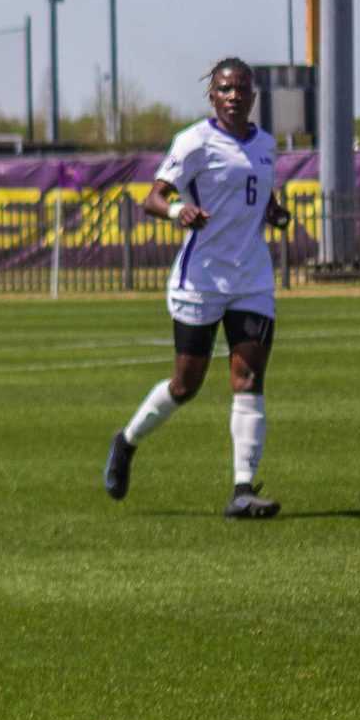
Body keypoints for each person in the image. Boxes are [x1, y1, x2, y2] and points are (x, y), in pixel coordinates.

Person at [103, 58, 292, 519]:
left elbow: (260, 194)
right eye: (225, 88)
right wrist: (175, 213)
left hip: (251, 278)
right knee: (186, 385)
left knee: (247, 378)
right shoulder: (194, 141)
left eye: (241, 88)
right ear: (212, 95)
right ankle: (126, 442)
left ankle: (242, 489)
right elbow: (153, 198)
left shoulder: (265, 145)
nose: (233, 95)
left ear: (252, 96)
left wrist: (274, 212)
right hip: (201, 280)